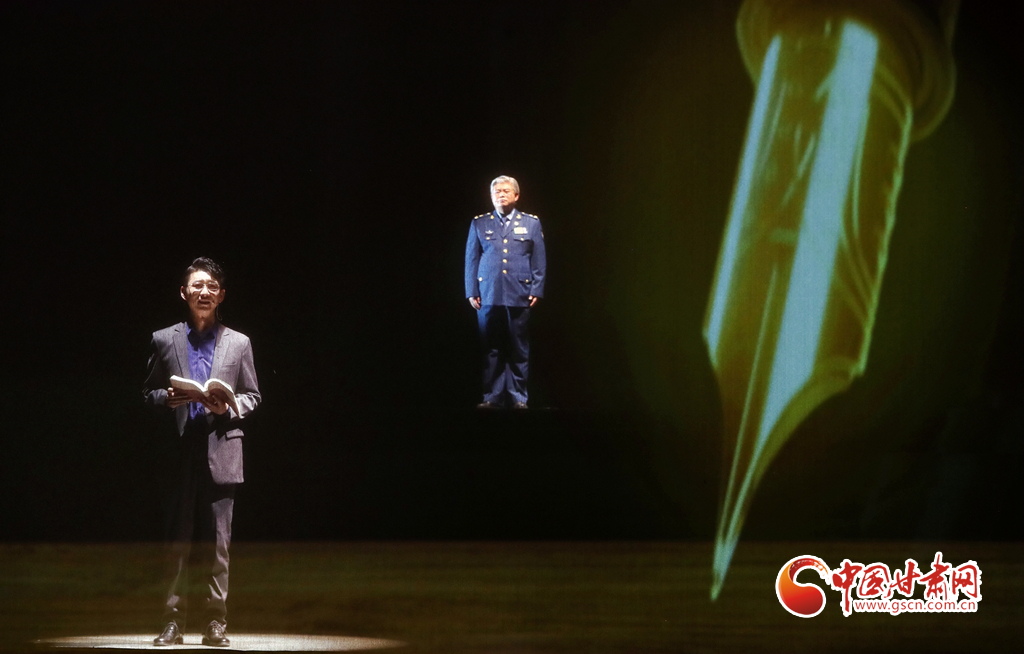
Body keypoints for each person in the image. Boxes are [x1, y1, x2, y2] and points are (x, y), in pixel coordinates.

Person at [143, 257, 261, 647]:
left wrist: (230, 407)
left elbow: (253, 395)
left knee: (217, 546)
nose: (204, 292)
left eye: (211, 286)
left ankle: (215, 623)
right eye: (197, 286)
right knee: (176, 543)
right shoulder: (164, 339)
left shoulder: (239, 342)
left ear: (221, 294)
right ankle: (172, 623)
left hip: (222, 449)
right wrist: (167, 398)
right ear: (184, 293)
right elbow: (148, 392)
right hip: (179, 451)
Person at [465, 175, 547, 408]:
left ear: (516, 195)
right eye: (496, 191)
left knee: (518, 346)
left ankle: (518, 397)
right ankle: (492, 396)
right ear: (491, 196)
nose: (500, 194)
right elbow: (471, 259)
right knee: (491, 347)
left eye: (505, 191)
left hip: (520, 291)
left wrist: (537, 288)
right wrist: (471, 290)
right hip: (488, 293)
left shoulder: (531, 223)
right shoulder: (480, 223)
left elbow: (539, 259)